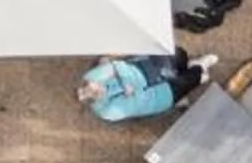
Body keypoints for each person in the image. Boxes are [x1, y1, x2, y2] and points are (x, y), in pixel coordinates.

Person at [78, 53, 216, 125]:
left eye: (92, 86)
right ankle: (198, 67)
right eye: (96, 94)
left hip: (143, 70)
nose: (99, 87)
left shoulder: (91, 77)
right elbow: (137, 101)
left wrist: (126, 83)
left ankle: (188, 73)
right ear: (93, 102)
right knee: (195, 77)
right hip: (158, 97)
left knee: (179, 54)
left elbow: (118, 66)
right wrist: (123, 79)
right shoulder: (107, 112)